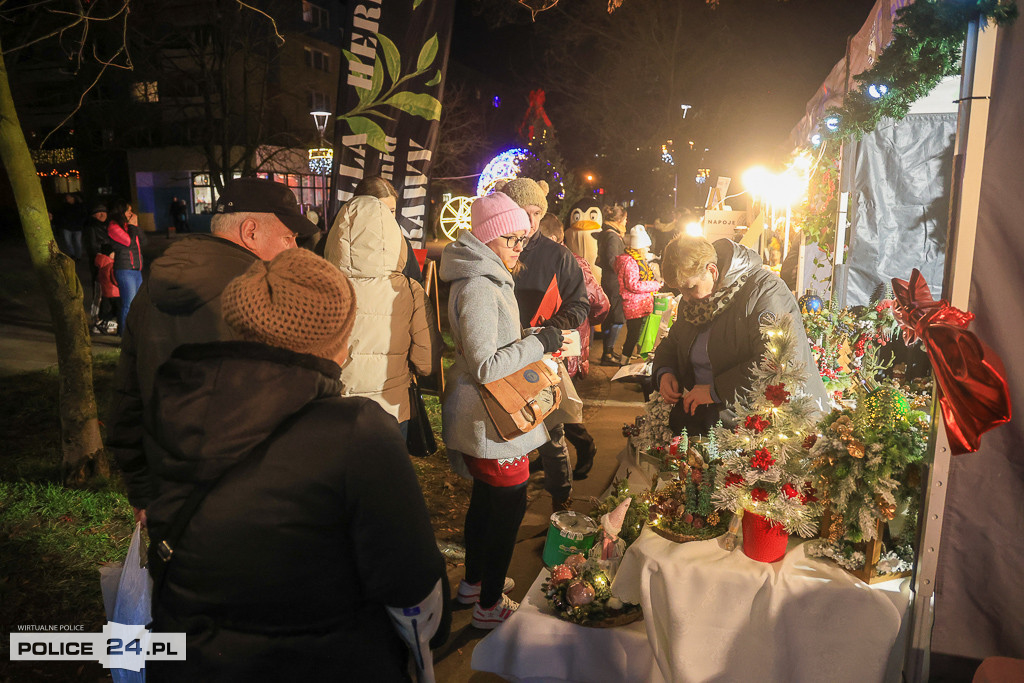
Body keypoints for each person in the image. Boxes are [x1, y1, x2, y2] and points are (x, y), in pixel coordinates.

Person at [143, 248, 448, 682]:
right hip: (323, 664)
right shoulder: (357, 431)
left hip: (193, 659)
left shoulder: (180, 396)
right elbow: (412, 585)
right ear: (338, 337)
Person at [107, 177, 317, 523]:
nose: (294, 248)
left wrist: (143, 489)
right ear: (250, 231)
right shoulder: (265, 296)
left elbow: (128, 396)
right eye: (288, 237)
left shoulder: (156, 284)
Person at [439, 192, 569, 629]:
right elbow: (485, 365)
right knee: (506, 512)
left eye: (523, 239)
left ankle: (474, 584)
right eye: (513, 239)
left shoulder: (485, 275)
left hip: (488, 419)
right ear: (488, 237)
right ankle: (489, 605)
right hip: (493, 422)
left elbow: (493, 344)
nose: (519, 247)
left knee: (485, 504)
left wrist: (532, 335)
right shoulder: (480, 284)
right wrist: (540, 343)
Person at [653, 235, 829, 436]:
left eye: (691, 287)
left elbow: (777, 361)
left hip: (758, 422)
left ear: (712, 271)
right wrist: (665, 371)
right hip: (709, 418)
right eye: (680, 290)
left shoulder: (765, 291)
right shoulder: (696, 300)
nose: (685, 297)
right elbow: (675, 341)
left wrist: (715, 391)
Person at [502, 178, 589, 510]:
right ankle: (511, 504)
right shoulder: (495, 249)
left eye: (537, 212)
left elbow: (579, 304)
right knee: (507, 434)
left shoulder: (558, 256)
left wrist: (548, 332)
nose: (531, 220)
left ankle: (561, 502)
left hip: (541, 359)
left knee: (551, 435)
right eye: (524, 211)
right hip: (500, 358)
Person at [322, 195, 438, 435]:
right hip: (391, 409)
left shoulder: (319, 288)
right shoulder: (410, 291)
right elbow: (426, 362)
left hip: (334, 408)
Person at [539, 212, 609, 479]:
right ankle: (547, 457)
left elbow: (600, 304)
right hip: (542, 345)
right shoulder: (534, 259)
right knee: (544, 404)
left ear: (555, 238)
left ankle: (585, 446)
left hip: (566, 348)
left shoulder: (573, 263)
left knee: (561, 405)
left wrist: (583, 325)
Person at [346, 175, 423, 282]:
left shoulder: (401, 242)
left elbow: (416, 281)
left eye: (392, 211)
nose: (388, 217)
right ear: (362, 209)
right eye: (381, 210)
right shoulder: (339, 239)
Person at [615, 225, 663, 363]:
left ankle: (626, 360)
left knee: (635, 334)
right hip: (634, 305)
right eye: (646, 247)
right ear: (639, 247)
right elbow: (633, 285)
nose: (648, 250)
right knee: (633, 335)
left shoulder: (635, 260)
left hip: (639, 305)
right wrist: (655, 285)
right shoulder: (630, 262)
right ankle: (624, 363)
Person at [595, 204, 628, 365]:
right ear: (619, 219)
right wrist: (626, 268)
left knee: (611, 317)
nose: (626, 222)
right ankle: (607, 354)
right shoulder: (613, 236)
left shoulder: (607, 233)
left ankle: (608, 351)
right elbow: (611, 259)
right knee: (617, 318)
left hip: (609, 280)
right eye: (625, 219)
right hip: (614, 281)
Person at [107, 200, 143, 333]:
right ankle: (123, 335)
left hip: (136, 268)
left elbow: (144, 241)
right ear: (120, 212)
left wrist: (135, 226)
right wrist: (132, 227)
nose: (131, 213)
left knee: (137, 303)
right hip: (125, 269)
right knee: (128, 304)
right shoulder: (113, 227)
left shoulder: (128, 227)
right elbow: (129, 242)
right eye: (128, 211)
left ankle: (134, 332)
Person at [54, 193, 87, 260]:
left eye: (68, 197)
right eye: (66, 198)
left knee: (78, 243)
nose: (67, 199)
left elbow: (83, 215)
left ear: (73, 198)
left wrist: (80, 223)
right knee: (68, 242)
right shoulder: (65, 206)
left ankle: (78, 256)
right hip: (67, 227)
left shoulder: (79, 206)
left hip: (77, 227)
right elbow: (60, 215)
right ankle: (72, 255)